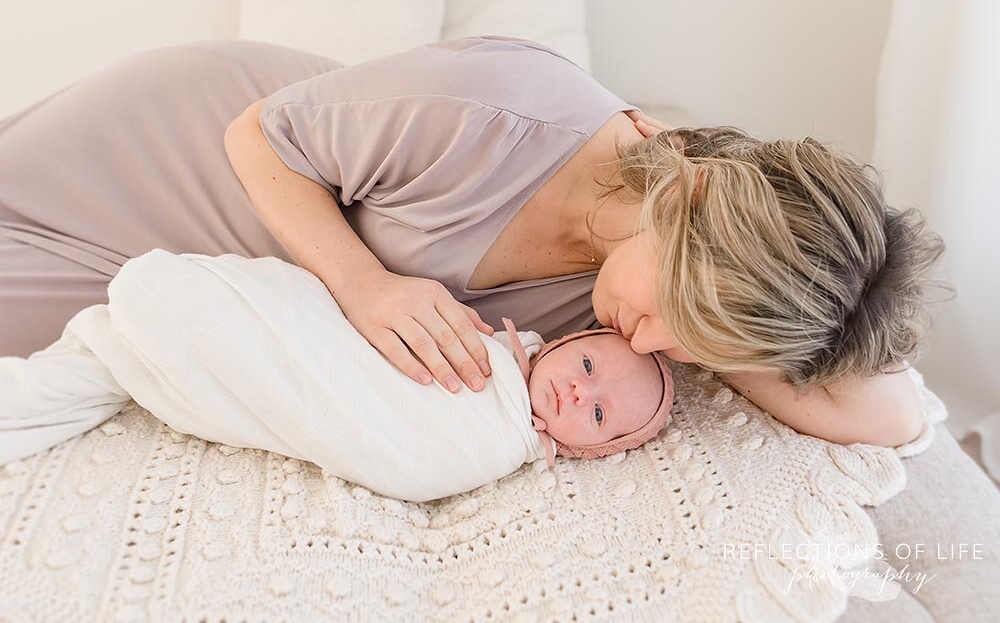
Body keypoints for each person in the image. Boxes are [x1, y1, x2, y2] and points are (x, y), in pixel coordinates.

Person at [0, 35, 944, 449]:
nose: (651, 347)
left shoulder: (665, 295)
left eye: (694, 341)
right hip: (155, 163)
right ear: (689, 196)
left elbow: (891, 415)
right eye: (677, 315)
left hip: (206, 279)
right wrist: (366, 287)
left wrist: (779, 312)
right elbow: (259, 134)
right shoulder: (504, 105)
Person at [0, 249, 673, 502]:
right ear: (569, 341)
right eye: (588, 366)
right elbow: (335, 335)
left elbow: (379, 433)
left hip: (290, 384)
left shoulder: (494, 441)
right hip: (314, 323)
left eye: (596, 415)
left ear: (586, 449)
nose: (581, 391)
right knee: (115, 349)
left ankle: (158, 332)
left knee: (110, 350)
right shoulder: (489, 340)